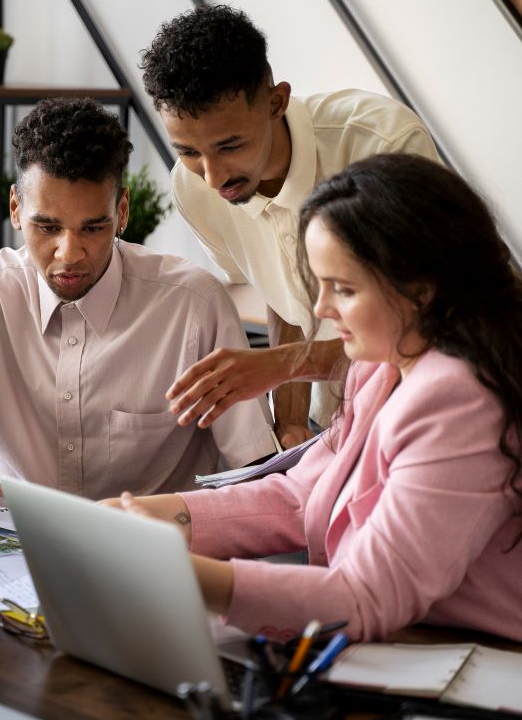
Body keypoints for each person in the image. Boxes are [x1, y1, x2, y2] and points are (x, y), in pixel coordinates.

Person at [105, 154, 522, 644]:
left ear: (421, 290)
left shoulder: (458, 398)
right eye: (320, 286)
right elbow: (304, 495)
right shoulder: (382, 362)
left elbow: (367, 596)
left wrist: (174, 571)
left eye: (342, 289)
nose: (321, 309)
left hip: (478, 656)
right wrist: (160, 516)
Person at [0, 98, 275, 501]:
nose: (69, 254)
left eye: (92, 228)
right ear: (16, 209)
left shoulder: (196, 305)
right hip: (20, 535)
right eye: (47, 227)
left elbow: (254, 470)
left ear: (122, 212)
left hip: (163, 537)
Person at [140, 4, 440, 446]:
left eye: (230, 146)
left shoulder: (382, 144)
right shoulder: (193, 188)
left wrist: (282, 365)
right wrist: (289, 422)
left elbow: (431, 322)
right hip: (335, 422)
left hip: (433, 409)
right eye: (188, 151)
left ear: (276, 102)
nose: (214, 176)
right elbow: (282, 293)